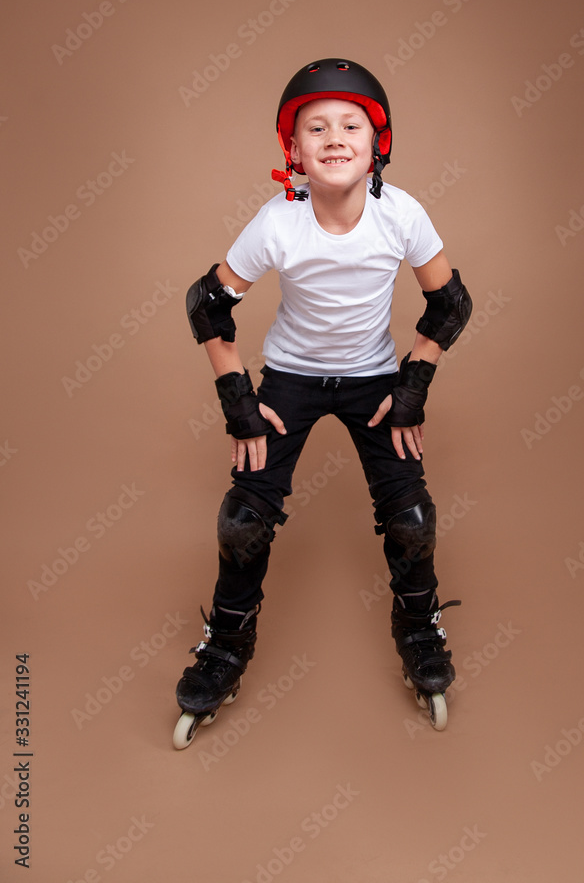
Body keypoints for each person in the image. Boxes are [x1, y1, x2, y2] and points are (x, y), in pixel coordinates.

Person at [173, 58, 472, 747]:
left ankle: (418, 626)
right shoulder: (277, 222)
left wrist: (413, 384)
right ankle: (226, 643)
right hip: (291, 379)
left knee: (412, 516)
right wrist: (239, 401)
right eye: (316, 128)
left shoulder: (401, 214)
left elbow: (450, 303)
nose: (334, 137)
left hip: (375, 381)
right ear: (294, 151)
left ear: (377, 144)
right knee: (243, 519)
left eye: (350, 126)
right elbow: (207, 305)